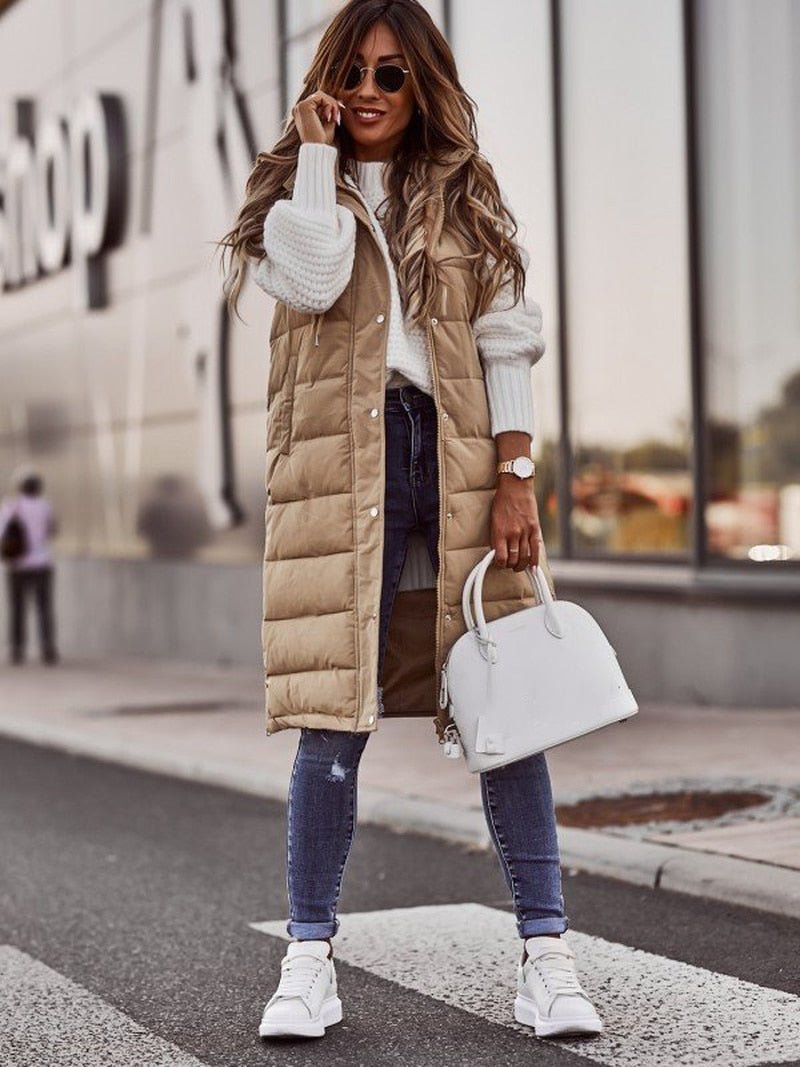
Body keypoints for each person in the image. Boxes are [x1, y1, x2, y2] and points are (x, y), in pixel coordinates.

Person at [220, 0, 602, 1042]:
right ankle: (307, 960)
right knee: (331, 712)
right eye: (354, 70)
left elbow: (506, 341)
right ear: (325, 78)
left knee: (504, 706)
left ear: (420, 83)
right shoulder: (286, 201)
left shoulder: (465, 199)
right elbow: (311, 277)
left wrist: (516, 471)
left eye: (392, 75)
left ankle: (547, 957)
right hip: (341, 468)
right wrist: (311, 156)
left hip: (458, 457)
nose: (370, 92)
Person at [0, 466, 59, 666]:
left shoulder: (12, 506)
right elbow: (52, 531)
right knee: (44, 608)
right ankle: (48, 648)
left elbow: (3, 534)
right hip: (42, 563)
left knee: (17, 609)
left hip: (18, 566)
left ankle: (18, 649)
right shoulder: (46, 507)